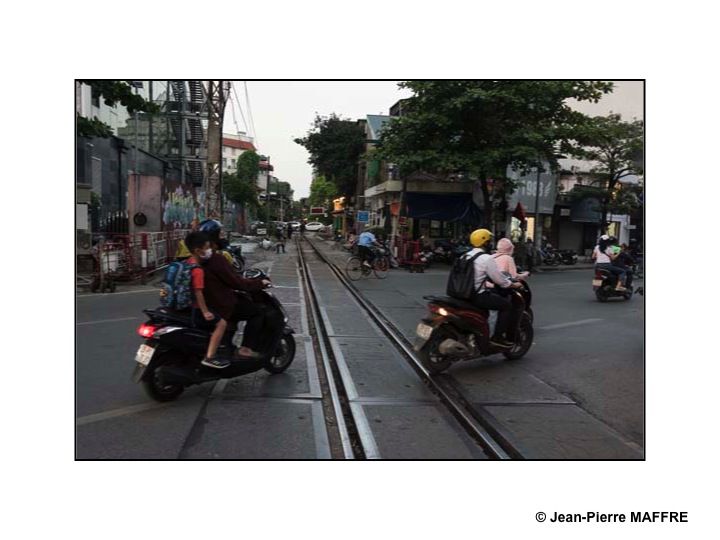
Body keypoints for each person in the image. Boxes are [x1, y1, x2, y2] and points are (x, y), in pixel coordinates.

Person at [197, 220, 275, 359]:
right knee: (257, 312)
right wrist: (259, 283)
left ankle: (227, 341)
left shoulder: (197, 258)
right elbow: (237, 282)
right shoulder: (216, 259)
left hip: (204, 304)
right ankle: (246, 348)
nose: (223, 236)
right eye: (220, 233)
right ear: (214, 237)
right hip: (219, 304)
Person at [465, 229, 524, 348]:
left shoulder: (466, 255)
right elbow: (500, 280)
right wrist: (514, 284)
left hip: (462, 294)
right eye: (489, 241)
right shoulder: (486, 258)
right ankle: (497, 337)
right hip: (477, 295)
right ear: (485, 243)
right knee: (506, 305)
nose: (491, 244)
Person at [185, 231, 231, 369]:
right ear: (198, 251)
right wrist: (205, 312)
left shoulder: (187, 263)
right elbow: (198, 292)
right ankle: (210, 357)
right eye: (207, 247)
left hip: (187, 307)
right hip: (197, 309)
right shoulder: (198, 270)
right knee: (221, 324)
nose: (209, 250)